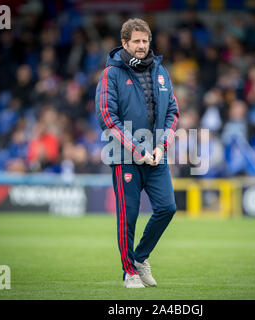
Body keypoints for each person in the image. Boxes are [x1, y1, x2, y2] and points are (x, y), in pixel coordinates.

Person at [95, 18, 179, 289]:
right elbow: (108, 117)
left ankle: (140, 258)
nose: (142, 46)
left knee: (167, 208)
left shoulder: (161, 71)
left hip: (155, 156)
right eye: (136, 41)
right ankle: (129, 273)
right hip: (125, 158)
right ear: (124, 43)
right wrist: (138, 149)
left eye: (145, 41)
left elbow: (172, 113)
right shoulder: (111, 74)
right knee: (128, 217)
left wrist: (159, 146)